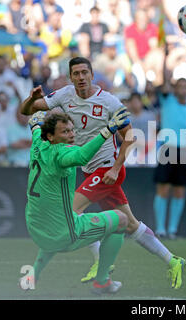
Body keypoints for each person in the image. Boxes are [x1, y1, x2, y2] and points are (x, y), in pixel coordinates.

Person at [20, 56, 185, 289]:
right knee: (129, 224)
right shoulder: (64, 96)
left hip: (107, 169)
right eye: (76, 73)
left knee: (70, 213)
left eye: (84, 73)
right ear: (70, 77)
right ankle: (173, 260)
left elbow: (129, 136)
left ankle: (94, 266)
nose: (80, 78)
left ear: (91, 74)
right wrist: (31, 99)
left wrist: (116, 168)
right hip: (89, 170)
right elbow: (28, 111)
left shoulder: (109, 102)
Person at [24, 110, 129, 294]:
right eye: (65, 132)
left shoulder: (37, 143)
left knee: (60, 220)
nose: (71, 135)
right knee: (121, 220)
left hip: (35, 228)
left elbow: (35, 128)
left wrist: (34, 123)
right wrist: (108, 130)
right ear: (51, 136)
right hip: (63, 234)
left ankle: (33, 276)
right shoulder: (62, 154)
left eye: (72, 130)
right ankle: (102, 282)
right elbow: (82, 157)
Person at [153, 45, 186, 239]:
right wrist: (166, 58)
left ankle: (172, 229)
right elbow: (164, 78)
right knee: (163, 188)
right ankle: (160, 229)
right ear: (174, 89)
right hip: (167, 149)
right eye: (178, 86)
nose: (181, 89)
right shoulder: (168, 101)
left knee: (180, 191)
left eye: (184, 86)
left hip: (183, 151)